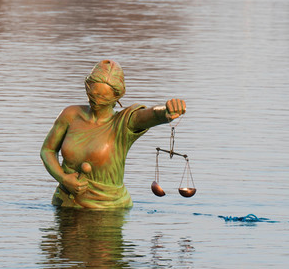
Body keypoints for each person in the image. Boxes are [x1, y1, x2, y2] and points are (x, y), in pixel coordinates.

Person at [41, 59, 186, 209]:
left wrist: (165, 112)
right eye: (92, 94)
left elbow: (149, 115)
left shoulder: (123, 123)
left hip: (108, 209)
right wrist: (64, 178)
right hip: (65, 204)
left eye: (103, 97)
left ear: (117, 96)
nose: (96, 100)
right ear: (87, 87)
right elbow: (48, 150)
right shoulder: (70, 115)